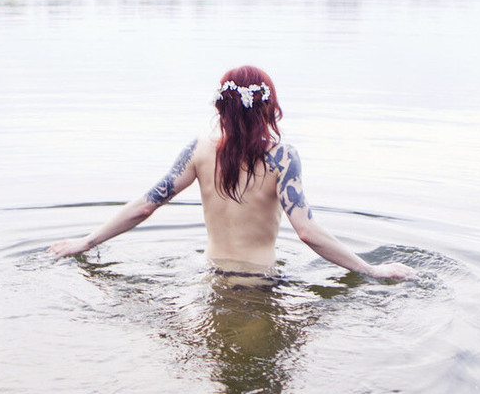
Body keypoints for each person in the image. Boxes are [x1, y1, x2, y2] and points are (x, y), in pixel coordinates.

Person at [49, 65, 417, 280]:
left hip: (210, 277)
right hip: (262, 283)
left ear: (221, 108)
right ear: (268, 109)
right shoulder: (282, 157)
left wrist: (87, 242)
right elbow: (306, 232)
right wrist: (372, 271)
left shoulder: (199, 151)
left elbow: (146, 205)